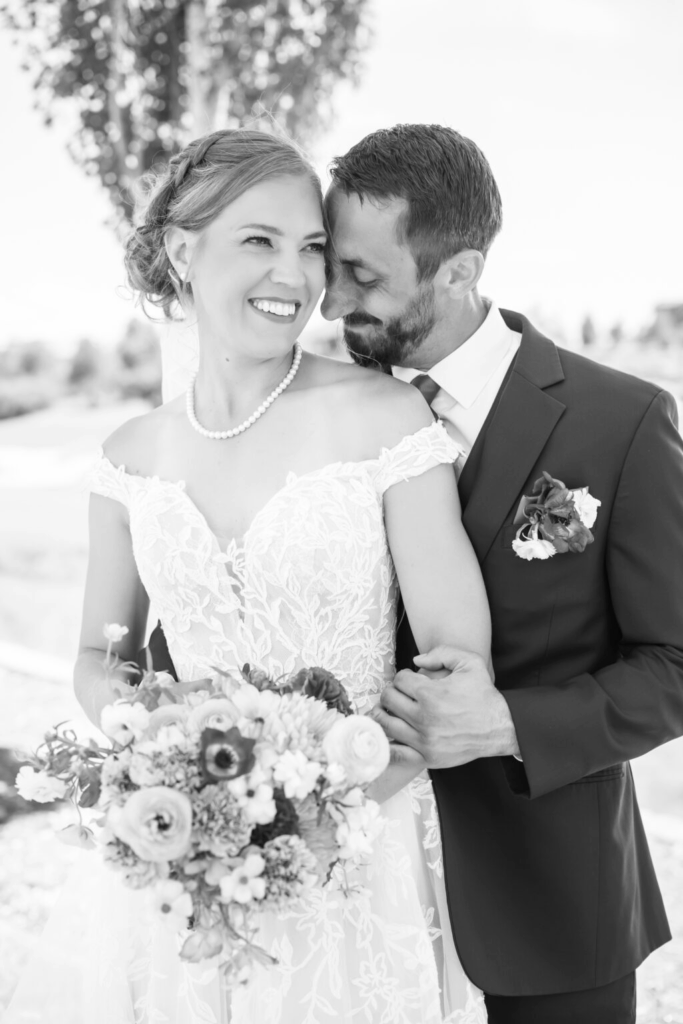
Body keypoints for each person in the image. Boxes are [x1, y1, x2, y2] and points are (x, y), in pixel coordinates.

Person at [5, 128, 491, 1023]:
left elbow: (456, 662)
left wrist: (323, 813)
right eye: (258, 242)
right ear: (184, 251)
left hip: (359, 855)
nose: (295, 277)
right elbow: (91, 651)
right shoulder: (128, 458)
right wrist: (166, 771)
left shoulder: (383, 418)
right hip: (184, 859)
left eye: (310, 248)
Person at [320, 122, 683, 1024]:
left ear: (458, 270)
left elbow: (675, 662)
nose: (331, 304)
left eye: (363, 277)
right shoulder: (317, 420)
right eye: (334, 266)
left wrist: (505, 723)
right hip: (353, 892)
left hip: (554, 898)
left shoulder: (622, 421)